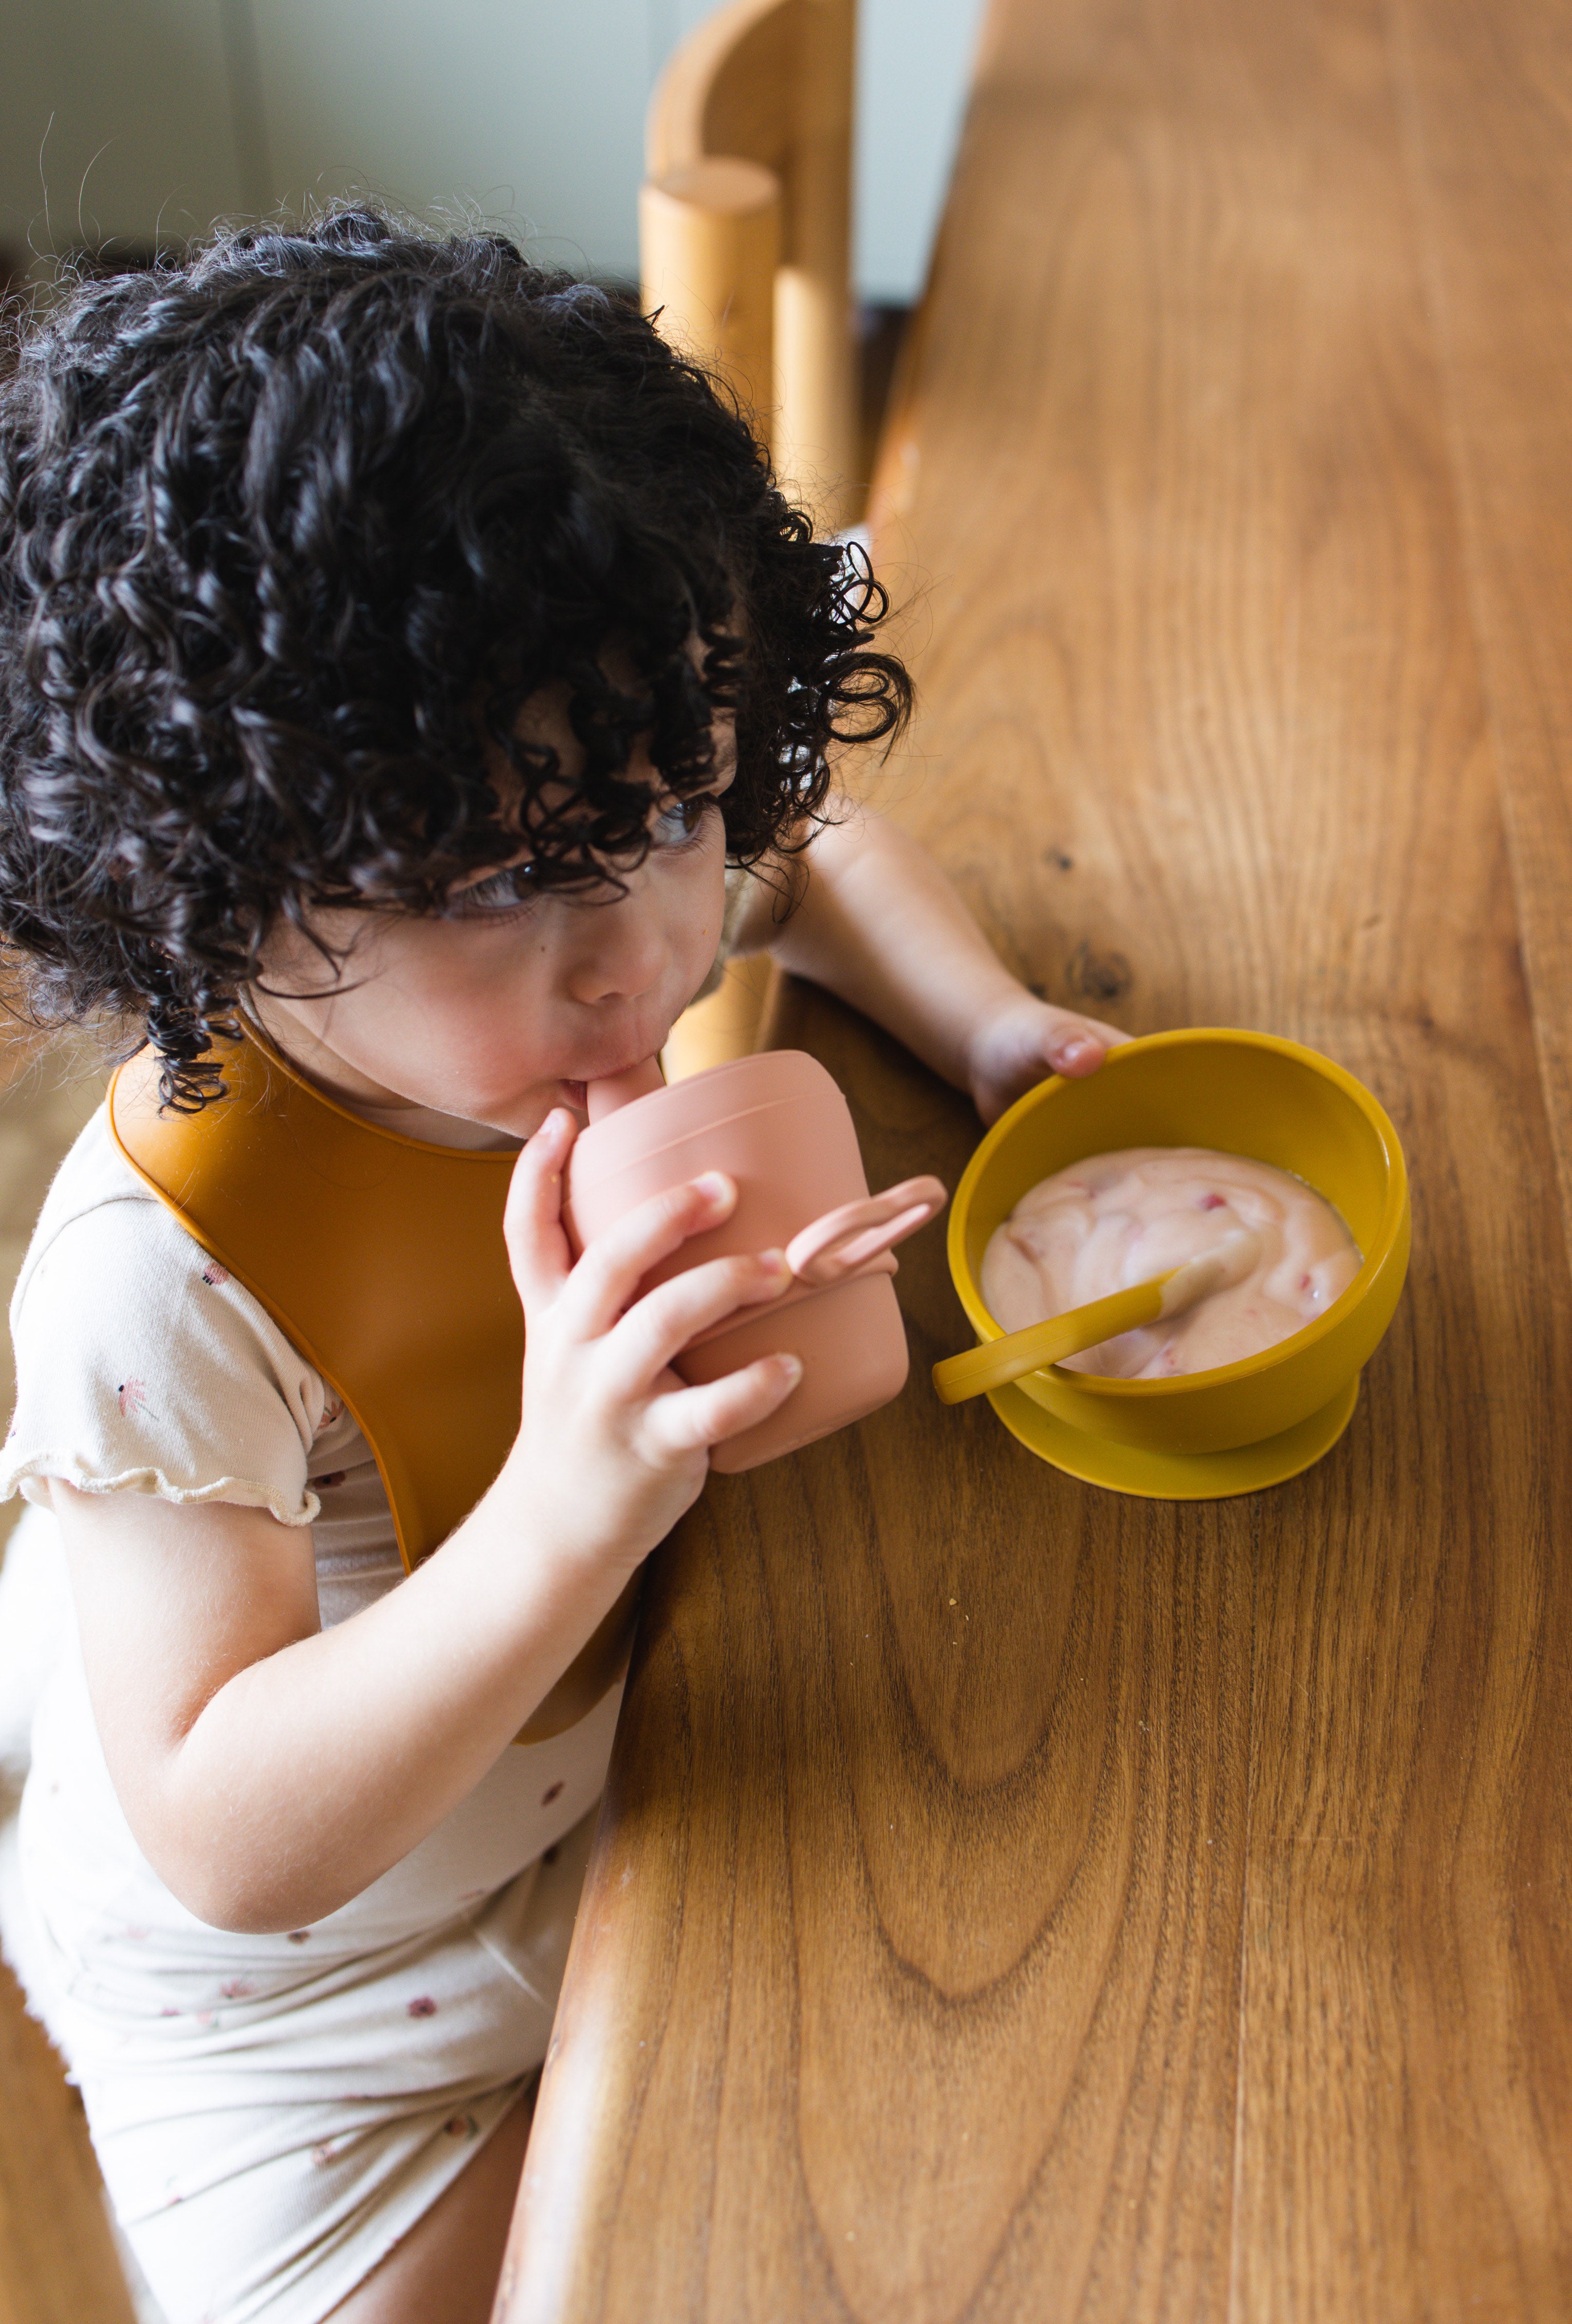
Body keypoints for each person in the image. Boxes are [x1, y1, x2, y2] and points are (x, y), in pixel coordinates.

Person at [0, 211, 1123, 2324]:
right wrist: (571, 1509)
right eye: (503, 884)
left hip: (612, 1771)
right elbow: (229, 1835)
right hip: (319, 2006)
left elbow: (820, 863)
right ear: (221, 884)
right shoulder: (156, 1290)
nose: (642, 953)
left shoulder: (591, 850)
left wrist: (985, 1030)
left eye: (678, 804)